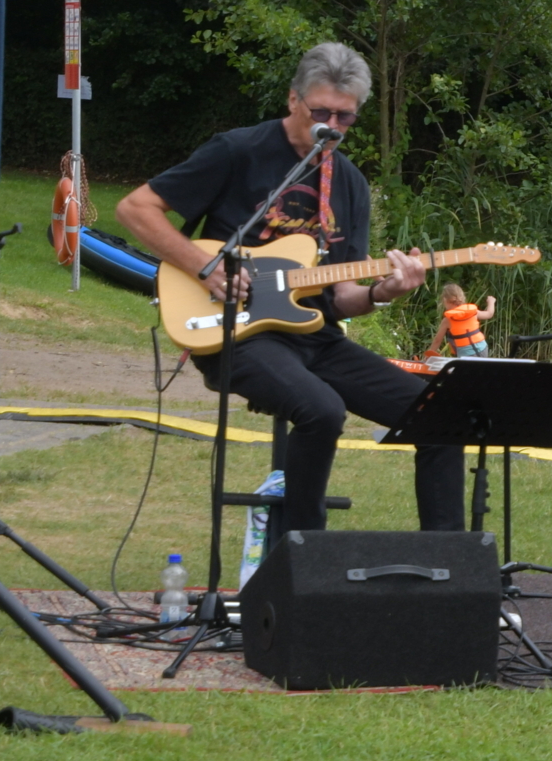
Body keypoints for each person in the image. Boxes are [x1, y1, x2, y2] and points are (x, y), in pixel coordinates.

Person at [117, 42, 463, 533]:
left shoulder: (350, 184)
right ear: (293, 100)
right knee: (321, 409)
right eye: (321, 112)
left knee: (439, 417)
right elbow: (135, 209)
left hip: (316, 337)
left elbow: (343, 297)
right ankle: (304, 554)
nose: (333, 127)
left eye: (346, 117)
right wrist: (204, 266)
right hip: (238, 333)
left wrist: (383, 292)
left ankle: (448, 566)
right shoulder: (238, 151)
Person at [431, 283, 494, 358]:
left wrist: (428, 356)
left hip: (466, 354)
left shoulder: (447, 320)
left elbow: (437, 341)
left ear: (445, 300)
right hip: (482, 349)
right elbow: (489, 314)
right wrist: (491, 302)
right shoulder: (473, 312)